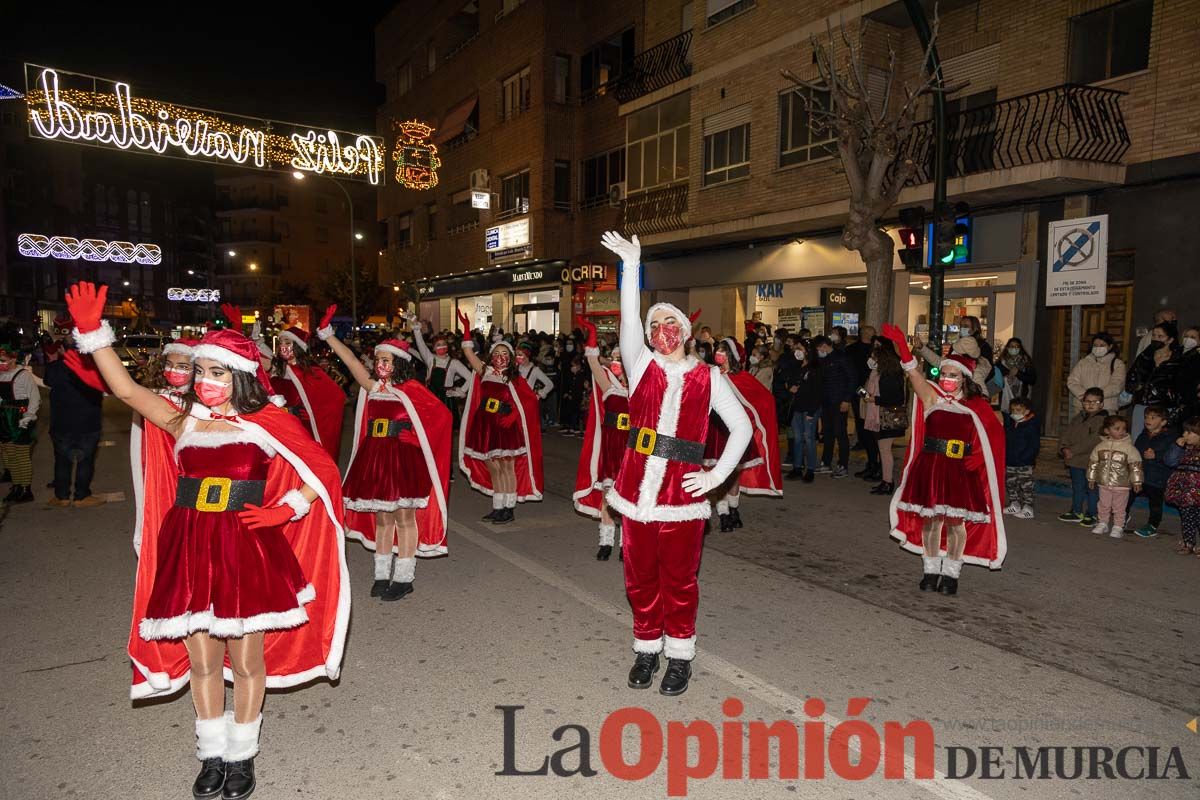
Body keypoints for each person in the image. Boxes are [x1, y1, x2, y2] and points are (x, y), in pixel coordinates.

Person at [66, 282, 348, 800]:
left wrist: (289, 507)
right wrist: (93, 334)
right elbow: (127, 390)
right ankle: (210, 754)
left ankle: (242, 756)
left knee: (245, 662)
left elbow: (323, 469)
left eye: (216, 371)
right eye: (201, 371)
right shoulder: (182, 420)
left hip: (246, 546)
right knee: (201, 661)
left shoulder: (269, 420)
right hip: (191, 543)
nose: (205, 380)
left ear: (239, 376)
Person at [600, 231, 752, 697]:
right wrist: (631, 268)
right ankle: (646, 648)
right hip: (635, 490)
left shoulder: (708, 378)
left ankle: (680, 656)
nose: (660, 328)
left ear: (685, 332)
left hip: (681, 495)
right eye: (655, 322)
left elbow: (742, 428)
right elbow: (628, 318)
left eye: (670, 321)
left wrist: (715, 477)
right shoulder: (640, 365)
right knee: (639, 578)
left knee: (679, 583)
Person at [319, 306, 451, 601]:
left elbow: (440, 416)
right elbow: (351, 361)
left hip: (403, 459)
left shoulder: (412, 389)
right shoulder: (373, 387)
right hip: (376, 458)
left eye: (386, 360)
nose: (380, 364)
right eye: (378, 359)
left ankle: (404, 577)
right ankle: (381, 573)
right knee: (382, 519)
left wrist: (410, 434)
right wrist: (329, 337)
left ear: (399, 363)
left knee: (404, 518)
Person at [881, 324, 1007, 596]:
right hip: (933, 466)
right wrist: (903, 348)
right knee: (932, 521)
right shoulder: (932, 397)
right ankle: (930, 570)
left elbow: (992, 436)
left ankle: (951, 573)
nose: (947, 378)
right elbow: (913, 373)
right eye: (944, 373)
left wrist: (977, 458)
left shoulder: (976, 404)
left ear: (964, 378)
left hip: (961, 468)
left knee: (955, 523)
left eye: (953, 374)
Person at [457, 310, 544, 523]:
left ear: (511, 358)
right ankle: (498, 505)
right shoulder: (485, 371)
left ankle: (509, 507)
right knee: (492, 465)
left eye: (505, 354)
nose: (500, 357)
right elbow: (469, 354)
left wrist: (514, 414)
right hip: (486, 424)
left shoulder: (515, 377)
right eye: (497, 353)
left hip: (506, 425)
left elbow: (530, 400)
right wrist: (466, 330)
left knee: (507, 466)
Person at [705, 338, 782, 531]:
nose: (718, 354)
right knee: (719, 472)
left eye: (723, 351)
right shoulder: (712, 374)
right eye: (717, 350)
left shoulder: (743, 377)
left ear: (731, 355)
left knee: (735, 473)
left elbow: (764, 399)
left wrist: (754, 422)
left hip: (734, 432)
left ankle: (734, 510)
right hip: (716, 430)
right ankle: (723, 513)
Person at [573, 319, 628, 560]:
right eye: (615, 359)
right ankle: (605, 542)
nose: (617, 364)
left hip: (633, 448)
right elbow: (593, 361)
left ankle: (627, 544)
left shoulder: (643, 387)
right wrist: (592, 335)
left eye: (621, 360)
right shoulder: (610, 387)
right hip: (611, 447)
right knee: (608, 497)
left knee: (628, 499)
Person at [254, 318, 346, 464]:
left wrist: (310, 413)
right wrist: (254, 340)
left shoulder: (310, 372)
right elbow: (255, 360)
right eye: (281, 343)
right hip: (279, 428)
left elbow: (336, 397)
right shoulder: (279, 368)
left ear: (298, 346)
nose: (283, 346)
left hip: (302, 431)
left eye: (288, 343)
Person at [43, 342, 105, 508]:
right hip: (88, 423)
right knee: (86, 461)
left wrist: (54, 361)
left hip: (62, 424)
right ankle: (81, 496)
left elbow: (48, 381)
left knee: (62, 461)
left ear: (64, 350)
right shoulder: (93, 367)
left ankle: (62, 496)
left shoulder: (58, 367)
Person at [1128, 405, 1183, 539]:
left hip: (1158, 476)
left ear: (1163, 422)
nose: (1148, 420)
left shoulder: (1170, 437)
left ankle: (1152, 525)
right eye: (1146, 417)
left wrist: (1156, 455)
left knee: (1155, 502)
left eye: (1153, 417)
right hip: (1141, 474)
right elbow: (1136, 450)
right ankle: (1122, 515)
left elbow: (1173, 456)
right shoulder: (1143, 434)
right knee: (1128, 496)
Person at [1056, 387, 1107, 526]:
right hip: (1075, 461)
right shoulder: (1078, 417)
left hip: (1091, 461)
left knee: (1092, 488)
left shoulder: (1103, 420)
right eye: (1087, 401)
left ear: (1101, 404)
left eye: (1095, 402)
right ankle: (1076, 511)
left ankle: (1092, 513)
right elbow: (1067, 433)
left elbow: (1094, 439)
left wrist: (1073, 450)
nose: (1090, 404)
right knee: (1077, 486)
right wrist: (1064, 447)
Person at [862, 338, 907, 495]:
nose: (872, 359)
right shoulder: (881, 371)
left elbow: (894, 398)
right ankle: (886, 481)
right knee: (883, 450)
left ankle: (887, 482)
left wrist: (874, 399)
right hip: (881, 415)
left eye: (875, 357)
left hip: (888, 415)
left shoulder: (890, 374)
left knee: (885, 450)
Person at [1086, 415, 1143, 539]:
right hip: (1103, 483)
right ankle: (1102, 523)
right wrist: (1091, 478)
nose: (1121, 431)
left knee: (1119, 507)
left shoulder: (1129, 448)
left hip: (1121, 485)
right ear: (1107, 431)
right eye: (1117, 428)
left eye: (1124, 429)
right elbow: (1093, 463)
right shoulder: (1100, 447)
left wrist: (1137, 481)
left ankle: (1118, 526)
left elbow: (1136, 466)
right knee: (1103, 504)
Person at [1125, 321, 1182, 439]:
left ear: (1170, 340)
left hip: (1164, 407)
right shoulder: (1145, 355)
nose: (1155, 339)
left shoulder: (1178, 360)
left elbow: (1180, 385)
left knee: (1161, 441)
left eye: (1160, 336)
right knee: (1137, 439)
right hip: (1142, 404)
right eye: (1154, 335)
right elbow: (1132, 376)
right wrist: (1136, 386)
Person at [0, 342, 39, 504]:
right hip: (4, 417)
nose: (1, 364)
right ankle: (16, 486)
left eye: (2, 360)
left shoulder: (23, 375)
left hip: (19, 416)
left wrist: (29, 415)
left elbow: (35, 397)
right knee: (9, 455)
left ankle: (25, 489)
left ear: (13, 359)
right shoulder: (1, 375)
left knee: (21, 455)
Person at [813, 335, 855, 478]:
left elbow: (851, 379)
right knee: (828, 433)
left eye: (819, 348)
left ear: (824, 345)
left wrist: (846, 400)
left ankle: (843, 465)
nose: (818, 351)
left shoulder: (841, 357)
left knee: (840, 433)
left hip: (838, 401)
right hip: (826, 401)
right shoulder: (823, 359)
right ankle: (826, 462)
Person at [785, 340, 822, 482]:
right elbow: (790, 382)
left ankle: (811, 469)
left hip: (809, 408)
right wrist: (791, 388)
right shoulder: (797, 365)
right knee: (798, 438)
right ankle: (797, 467)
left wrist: (812, 413)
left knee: (809, 439)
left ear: (807, 350)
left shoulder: (815, 368)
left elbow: (818, 391)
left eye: (799, 348)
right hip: (797, 407)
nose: (796, 350)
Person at [1066, 333, 1126, 414]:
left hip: (1106, 408)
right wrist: (1086, 397)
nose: (1098, 348)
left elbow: (1117, 385)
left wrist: (1097, 397)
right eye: (1095, 345)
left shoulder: (1118, 364)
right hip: (1082, 407)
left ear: (1110, 346)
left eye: (1102, 345)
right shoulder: (1083, 362)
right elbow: (1072, 381)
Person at [1165, 417, 1200, 555]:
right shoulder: (1184, 449)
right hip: (1184, 491)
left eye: (1190, 432)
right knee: (1187, 519)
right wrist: (1177, 447)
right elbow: (1169, 461)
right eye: (1184, 431)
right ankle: (1188, 543)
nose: (1185, 435)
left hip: (1197, 491)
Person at [1003, 398, 1040, 519]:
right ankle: (1015, 504)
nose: (1015, 412)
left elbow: (1034, 446)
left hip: (1024, 462)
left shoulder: (1031, 425)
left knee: (1026, 485)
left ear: (1027, 411)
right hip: (1010, 461)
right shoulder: (1011, 423)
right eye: (1013, 410)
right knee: (1010, 483)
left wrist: (1026, 458)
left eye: (1018, 410)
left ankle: (1028, 507)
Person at [846, 326, 875, 450]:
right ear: (865, 333)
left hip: (874, 388)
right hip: (859, 388)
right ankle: (863, 441)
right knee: (860, 416)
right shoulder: (851, 350)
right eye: (872, 333)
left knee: (871, 415)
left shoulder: (876, 349)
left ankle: (870, 441)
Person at [996, 338, 1037, 413]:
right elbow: (996, 378)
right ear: (1007, 348)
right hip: (1005, 398)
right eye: (1011, 346)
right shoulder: (1001, 362)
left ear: (1020, 348)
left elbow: (1032, 380)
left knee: (1019, 421)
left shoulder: (1026, 362)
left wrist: (1018, 373)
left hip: (1021, 399)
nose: (1014, 349)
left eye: (1017, 347)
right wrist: (1007, 375)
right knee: (1007, 422)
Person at [1174, 325, 1200, 423]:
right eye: (1186, 336)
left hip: (1192, 402)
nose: (1188, 339)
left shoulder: (1197, 356)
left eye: (1193, 337)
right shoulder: (1178, 354)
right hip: (1178, 401)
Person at [559, 355, 587, 435]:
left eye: (573, 366)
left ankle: (574, 427)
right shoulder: (574, 375)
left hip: (577, 398)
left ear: (578, 366)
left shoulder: (580, 376)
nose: (572, 367)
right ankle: (571, 426)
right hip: (572, 397)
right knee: (571, 412)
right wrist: (568, 393)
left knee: (576, 413)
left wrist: (572, 395)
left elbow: (578, 389)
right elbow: (571, 386)